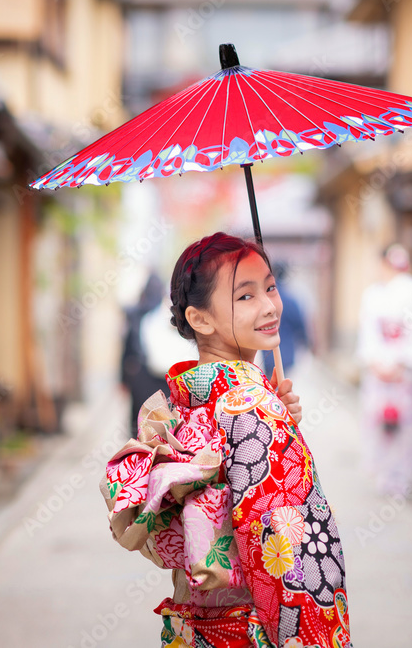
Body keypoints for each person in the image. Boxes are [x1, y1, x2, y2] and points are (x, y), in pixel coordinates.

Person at [101, 233, 351, 648]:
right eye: (245, 296)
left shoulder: (195, 401)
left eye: (270, 287)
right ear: (200, 319)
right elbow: (290, 564)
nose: (270, 306)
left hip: (199, 631)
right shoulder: (250, 409)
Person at [356, 243, 412, 496]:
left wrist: (399, 363)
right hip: (382, 370)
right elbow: (368, 333)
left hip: (402, 372)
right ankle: (384, 474)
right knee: (377, 421)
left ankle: (400, 477)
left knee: (403, 425)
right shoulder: (375, 294)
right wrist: (377, 363)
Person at [120, 272, 167, 436]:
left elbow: (126, 347)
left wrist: (124, 379)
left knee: (143, 421)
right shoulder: (164, 315)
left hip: (142, 374)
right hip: (157, 377)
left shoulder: (138, 314)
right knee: (152, 421)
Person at [261, 263, 309, 379]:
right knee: (283, 387)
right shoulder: (291, 300)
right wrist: (306, 343)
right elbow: (300, 326)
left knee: (267, 386)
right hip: (286, 355)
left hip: (265, 354)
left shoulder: (263, 298)